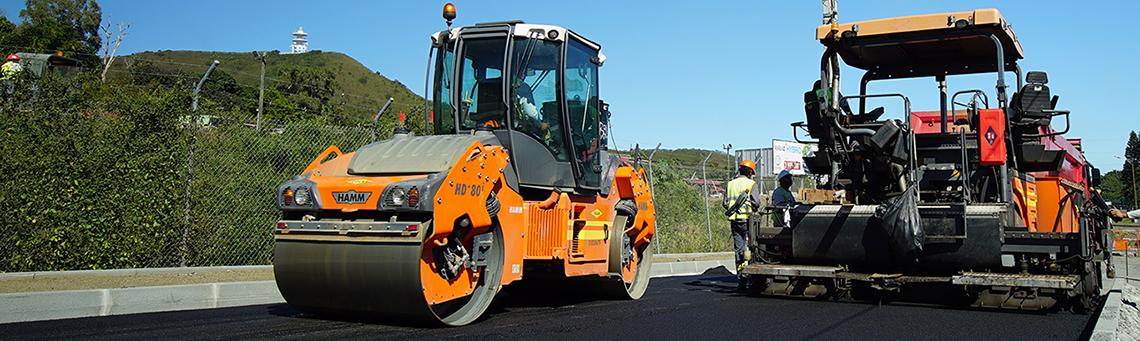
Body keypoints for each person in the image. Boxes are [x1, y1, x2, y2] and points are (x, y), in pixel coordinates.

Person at [724, 159, 759, 289]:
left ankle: (740, 278)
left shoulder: (730, 184)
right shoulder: (751, 184)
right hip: (748, 221)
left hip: (734, 220)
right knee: (750, 247)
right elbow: (756, 203)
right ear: (750, 171)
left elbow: (725, 203)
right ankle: (749, 276)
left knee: (738, 248)